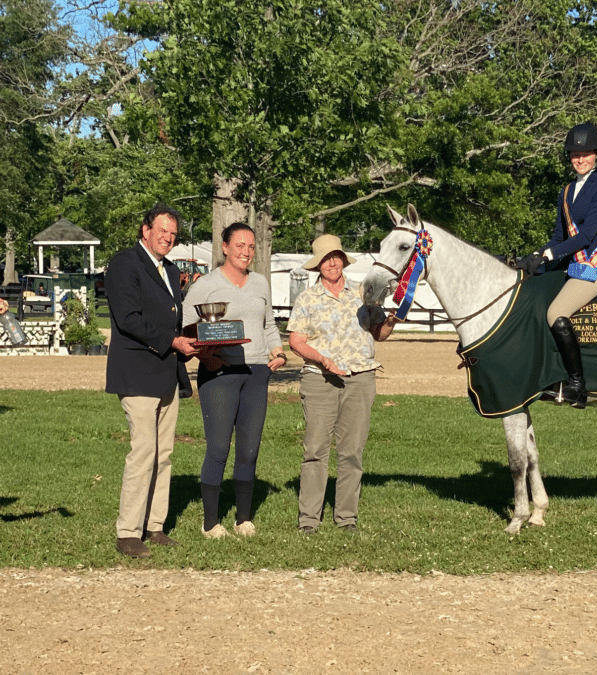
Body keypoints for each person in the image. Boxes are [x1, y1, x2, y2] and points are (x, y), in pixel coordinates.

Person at [182, 222, 287, 538]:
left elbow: (268, 325)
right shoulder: (205, 285)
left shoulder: (260, 284)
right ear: (225, 247)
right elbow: (188, 330)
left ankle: (243, 519)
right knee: (217, 447)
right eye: (240, 245)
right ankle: (210, 523)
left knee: (249, 449)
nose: (246, 251)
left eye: (251, 246)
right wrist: (206, 357)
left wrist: (278, 352)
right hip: (219, 374)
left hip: (256, 373)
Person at [105, 203, 198, 559]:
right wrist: (172, 341)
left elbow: (173, 320)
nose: (168, 238)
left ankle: (154, 526)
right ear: (145, 230)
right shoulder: (124, 263)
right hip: (137, 373)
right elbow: (127, 318)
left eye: (173, 233)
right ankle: (128, 532)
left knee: (164, 454)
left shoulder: (171, 270)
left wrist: (190, 343)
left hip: (167, 373)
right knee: (143, 452)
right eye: (162, 230)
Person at [287, 234, 396, 534]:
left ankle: (346, 518)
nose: (332, 263)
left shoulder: (363, 294)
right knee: (315, 450)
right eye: (325, 259)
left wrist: (390, 321)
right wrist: (323, 361)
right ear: (317, 265)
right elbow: (296, 341)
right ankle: (309, 520)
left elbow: (379, 334)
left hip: (360, 378)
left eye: (336, 256)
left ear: (343, 260)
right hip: (320, 380)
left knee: (352, 451)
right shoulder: (307, 299)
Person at [519, 122, 597, 409]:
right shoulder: (566, 192)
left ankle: (577, 386)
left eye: (586, 154)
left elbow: (588, 235)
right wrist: (534, 255)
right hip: (573, 265)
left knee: (557, 311)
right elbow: (558, 237)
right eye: (575, 155)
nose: (580, 159)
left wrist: (550, 255)